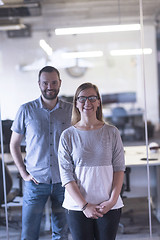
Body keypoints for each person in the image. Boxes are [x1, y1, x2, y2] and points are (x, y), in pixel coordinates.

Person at [10, 66, 72, 240]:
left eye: (54, 82)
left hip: (64, 182)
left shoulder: (71, 110)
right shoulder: (26, 110)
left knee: (61, 233)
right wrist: (24, 174)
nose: (50, 86)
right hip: (35, 182)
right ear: (39, 84)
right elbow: (14, 144)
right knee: (29, 234)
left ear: (60, 82)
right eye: (45, 83)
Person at [58, 82, 125, 240]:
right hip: (77, 207)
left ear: (98, 102)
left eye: (92, 98)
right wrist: (84, 205)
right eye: (82, 98)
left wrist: (111, 201)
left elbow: (119, 169)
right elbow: (66, 176)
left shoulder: (112, 132)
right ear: (76, 103)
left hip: (108, 205)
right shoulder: (67, 136)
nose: (87, 102)